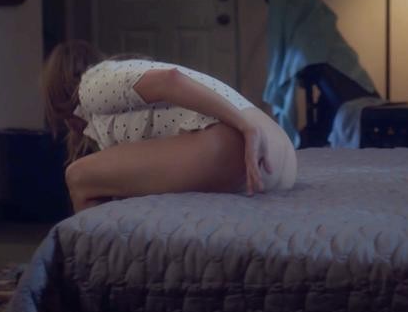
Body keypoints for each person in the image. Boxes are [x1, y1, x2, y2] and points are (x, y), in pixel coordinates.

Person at [43, 40, 297, 213]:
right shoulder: (106, 114)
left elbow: (170, 80)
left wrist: (246, 127)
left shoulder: (91, 85)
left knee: (78, 176)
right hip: (280, 158)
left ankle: (93, 268)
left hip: (242, 141)